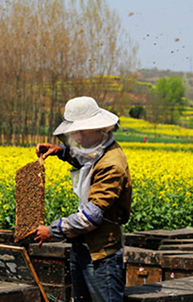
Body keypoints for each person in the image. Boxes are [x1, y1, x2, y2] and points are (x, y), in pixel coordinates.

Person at [35, 96, 132, 302]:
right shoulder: (100, 150)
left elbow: (91, 217)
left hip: (101, 255)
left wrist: (51, 231)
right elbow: (85, 157)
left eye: (80, 132)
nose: (76, 137)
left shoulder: (112, 165)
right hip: (84, 247)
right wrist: (60, 151)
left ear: (98, 130)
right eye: (74, 132)